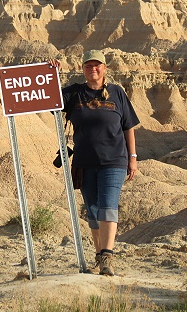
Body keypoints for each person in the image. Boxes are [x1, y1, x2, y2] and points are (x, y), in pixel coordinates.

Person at [49, 50, 139, 276]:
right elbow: (50, 102)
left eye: (97, 65)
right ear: (83, 69)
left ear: (105, 68)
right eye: (88, 66)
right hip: (84, 162)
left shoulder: (117, 93)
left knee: (108, 206)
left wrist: (133, 157)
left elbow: (128, 126)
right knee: (93, 211)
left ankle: (108, 256)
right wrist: (52, 75)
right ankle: (99, 258)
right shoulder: (74, 94)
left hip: (114, 161)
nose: (93, 69)